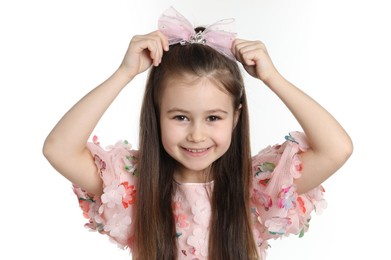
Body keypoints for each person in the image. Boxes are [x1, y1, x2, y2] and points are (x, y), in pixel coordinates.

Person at [43, 7, 352, 260]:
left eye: (214, 117)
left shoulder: (256, 187)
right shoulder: (133, 185)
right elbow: (59, 150)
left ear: (235, 118)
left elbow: (336, 149)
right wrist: (123, 73)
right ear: (156, 115)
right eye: (180, 117)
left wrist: (273, 78)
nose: (196, 134)